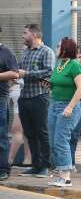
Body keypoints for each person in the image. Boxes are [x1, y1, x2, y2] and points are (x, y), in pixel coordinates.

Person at [18, 24, 55, 178]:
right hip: (24, 97)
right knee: (29, 133)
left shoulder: (46, 51)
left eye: (25, 33)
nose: (22, 36)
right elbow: (19, 70)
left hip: (39, 97)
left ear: (34, 35)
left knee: (42, 132)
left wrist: (26, 73)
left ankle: (46, 166)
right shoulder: (25, 52)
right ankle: (36, 165)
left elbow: (49, 72)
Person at [47, 37, 81, 187]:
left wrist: (69, 107)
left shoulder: (75, 65)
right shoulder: (59, 64)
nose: (56, 48)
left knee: (61, 140)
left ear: (65, 48)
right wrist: (50, 89)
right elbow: (56, 84)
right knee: (53, 141)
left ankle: (66, 177)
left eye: (58, 46)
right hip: (54, 105)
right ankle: (60, 174)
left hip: (68, 107)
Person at [0, 42, 20, 180]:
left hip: (1, 99)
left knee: (1, 134)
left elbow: (15, 73)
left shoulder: (6, 52)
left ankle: (3, 169)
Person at [8, 78, 32, 167]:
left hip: (21, 96)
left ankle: (9, 160)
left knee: (17, 130)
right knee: (25, 131)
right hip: (17, 97)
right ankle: (27, 160)